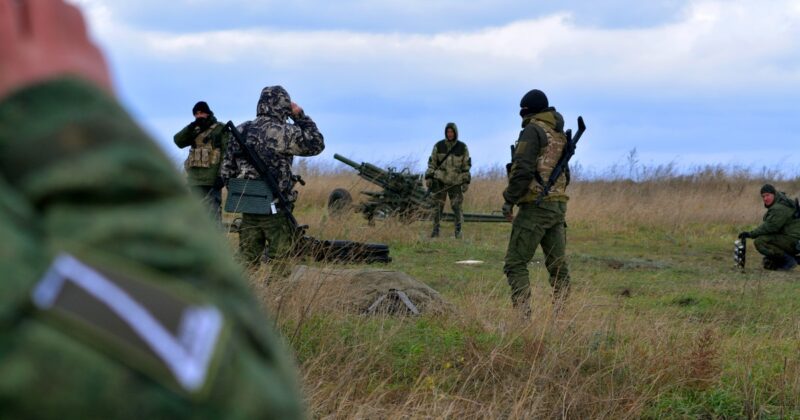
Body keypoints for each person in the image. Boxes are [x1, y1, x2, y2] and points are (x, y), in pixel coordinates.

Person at [0, 0, 304, 417]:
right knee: (258, 246)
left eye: (201, 114)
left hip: (227, 192)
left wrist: (214, 145)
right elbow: (239, 396)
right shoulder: (227, 130)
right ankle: (272, 284)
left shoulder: (228, 129)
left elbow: (228, 158)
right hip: (233, 194)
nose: (198, 118)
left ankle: (271, 285)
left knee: (241, 239)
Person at [220, 85, 324, 268]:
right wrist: (299, 115)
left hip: (248, 206)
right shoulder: (285, 131)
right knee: (280, 262)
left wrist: (245, 193)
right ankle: (278, 296)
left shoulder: (241, 130)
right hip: (275, 208)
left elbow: (226, 171)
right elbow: (317, 144)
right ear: (283, 106)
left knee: (246, 263)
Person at [501, 89, 571, 317]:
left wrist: (509, 199)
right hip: (558, 206)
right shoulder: (558, 132)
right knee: (558, 268)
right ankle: (562, 317)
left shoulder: (533, 130)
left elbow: (522, 169)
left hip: (536, 205)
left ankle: (522, 318)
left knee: (515, 263)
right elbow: (565, 175)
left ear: (526, 111)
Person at [173, 101, 229, 223]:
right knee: (196, 218)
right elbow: (178, 141)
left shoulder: (220, 129)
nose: (199, 116)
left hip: (212, 181)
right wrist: (191, 127)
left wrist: (221, 176)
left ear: (208, 113)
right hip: (194, 181)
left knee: (213, 217)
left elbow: (227, 154)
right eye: (196, 114)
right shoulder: (194, 130)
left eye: (202, 113)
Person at [424, 122, 471, 238]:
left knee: (457, 207)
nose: (450, 134)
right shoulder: (438, 146)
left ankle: (458, 232)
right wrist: (429, 178)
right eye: (448, 132)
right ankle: (435, 232)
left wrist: (466, 181)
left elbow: (466, 166)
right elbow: (432, 164)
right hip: (440, 181)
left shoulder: (462, 147)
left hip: (455, 182)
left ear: (455, 133)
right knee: (437, 207)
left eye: (452, 132)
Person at [738, 184, 800, 271]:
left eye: (768, 195)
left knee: (760, 241)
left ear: (774, 194)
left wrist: (750, 234)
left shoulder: (779, 208)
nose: (765, 199)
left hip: (793, 241)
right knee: (768, 262)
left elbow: (770, 227)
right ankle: (787, 259)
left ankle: (789, 260)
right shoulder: (782, 202)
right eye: (763, 196)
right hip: (792, 239)